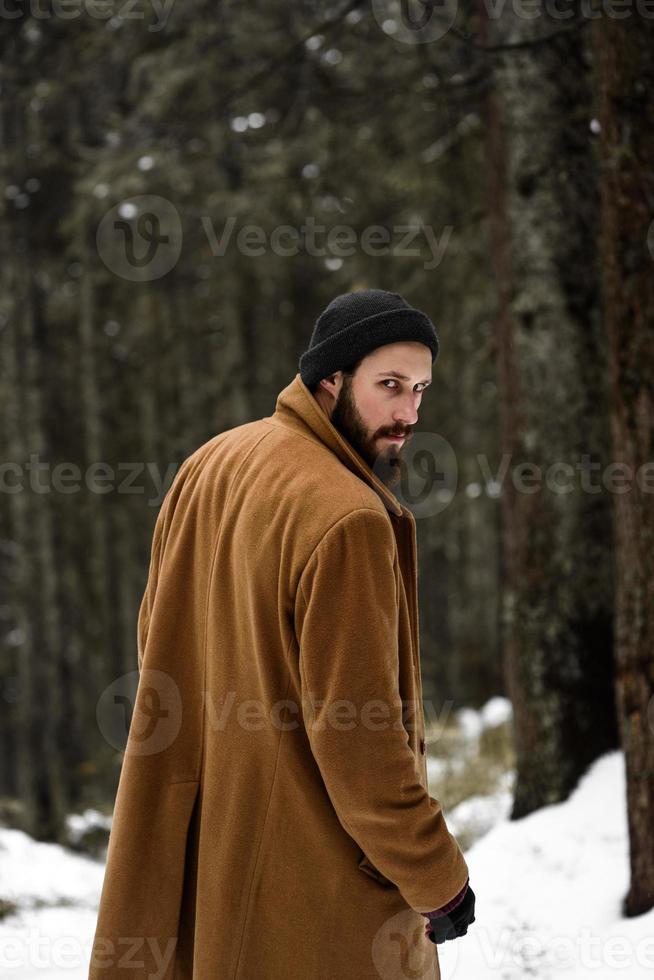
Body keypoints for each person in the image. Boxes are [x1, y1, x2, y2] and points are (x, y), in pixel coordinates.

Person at [88, 288, 475, 980]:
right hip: (309, 894)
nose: (410, 412)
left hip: (203, 856)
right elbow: (360, 737)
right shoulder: (348, 516)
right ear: (331, 380)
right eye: (389, 386)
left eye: (420, 389)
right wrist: (436, 875)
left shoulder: (210, 465)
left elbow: (155, 639)